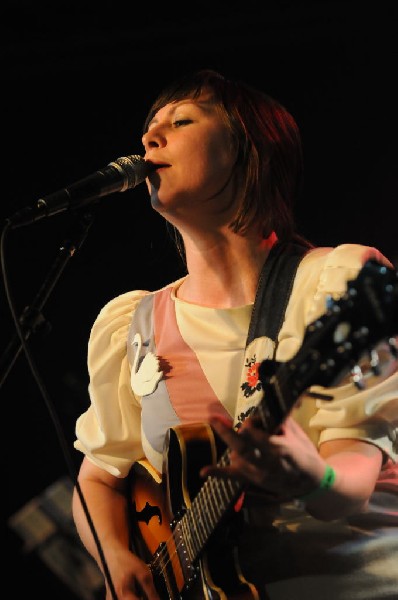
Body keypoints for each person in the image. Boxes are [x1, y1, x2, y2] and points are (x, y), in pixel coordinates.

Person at [71, 69, 398, 600]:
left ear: (250, 149)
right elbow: (98, 478)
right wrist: (116, 559)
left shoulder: (337, 282)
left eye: (180, 121)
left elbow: (353, 482)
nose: (150, 139)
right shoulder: (131, 325)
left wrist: (312, 477)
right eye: (149, 129)